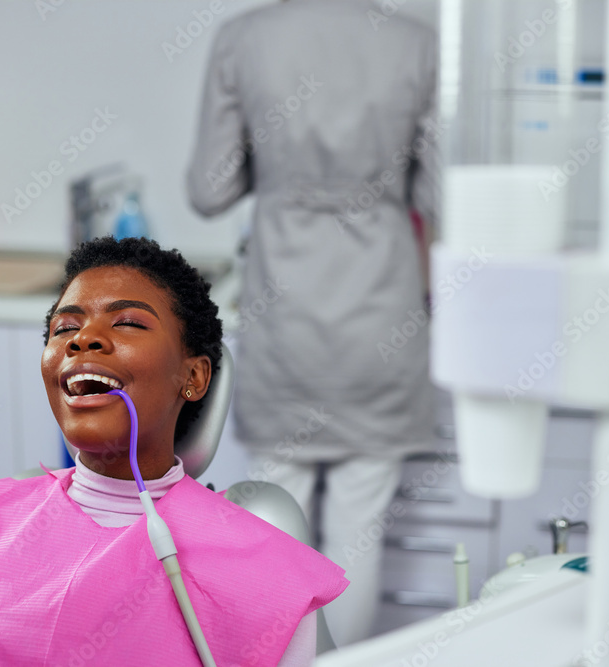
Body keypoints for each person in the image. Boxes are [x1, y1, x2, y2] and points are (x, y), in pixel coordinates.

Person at [0, 236, 347, 666]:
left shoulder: (267, 570)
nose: (83, 340)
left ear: (193, 376)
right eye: (65, 329)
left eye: (127, 323)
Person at [187, 0, 441, 644]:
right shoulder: (416, 42)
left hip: (286, 318)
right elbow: (441, 196)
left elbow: (209, 189)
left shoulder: (244, 37)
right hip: (383, 320)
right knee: (361, 524)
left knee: (275, 526)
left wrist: (277, 168)